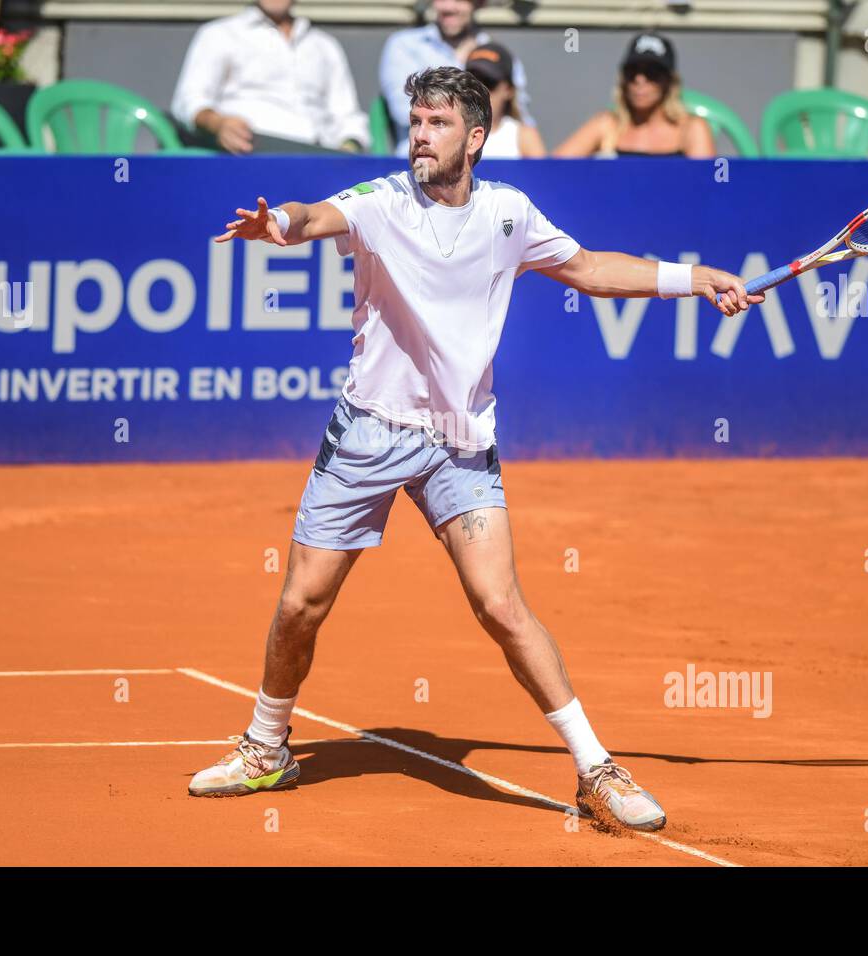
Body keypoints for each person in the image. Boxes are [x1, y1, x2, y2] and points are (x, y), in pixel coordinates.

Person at [194, 67, 762, 832]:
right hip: (369, 433)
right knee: (301, 603)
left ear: (475, 136)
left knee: (501, 606)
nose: (418, 135)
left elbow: (591, 271)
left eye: (434, 122)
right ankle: (267, 748)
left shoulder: (509, 213)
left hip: (460, 442)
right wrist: (281, 225)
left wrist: (697, 280)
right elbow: (311, 216)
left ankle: (596, 767)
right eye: (414, 121)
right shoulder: (381, 203)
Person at [170, 0, 368, 154]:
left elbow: (347, 115)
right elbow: (189, 101)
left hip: (321, 158)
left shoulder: (324, 45)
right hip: (250, 155)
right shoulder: (219, 34)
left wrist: (350, 147)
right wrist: (218, 124)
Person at [379, 0, 535, 154]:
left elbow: (520, 115)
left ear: (479, 3)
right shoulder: (404, 45)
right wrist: (463, 67)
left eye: (461, 0)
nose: (449, 7)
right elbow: (403, 112)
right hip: (421, 159)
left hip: (489, 155)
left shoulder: (498, 54)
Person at [555, 32, 715, 159]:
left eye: (652, 72)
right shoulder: (607, 125)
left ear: (669, 81)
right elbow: (553, 170)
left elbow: (707, 188)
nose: (640, 80)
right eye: (632, 72)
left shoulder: (691, 130)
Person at [465, 42, 545, 158]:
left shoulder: (523, 136)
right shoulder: (450, 133)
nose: (479, 91)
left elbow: (544, 175)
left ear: (509, 90)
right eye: (471, 83)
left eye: (488, 82)